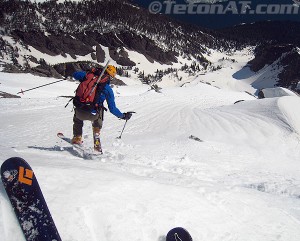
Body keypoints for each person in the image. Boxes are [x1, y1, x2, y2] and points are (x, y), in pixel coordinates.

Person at [71, 65, 132, 153]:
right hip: (94, 115)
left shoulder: (87, 76)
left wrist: (89, 72)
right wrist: (123, 116)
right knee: (99, 108)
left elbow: (75, 74)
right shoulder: (107, 89)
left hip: (80, 113)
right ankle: (96, 134)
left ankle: (77, 137)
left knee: (77, 116)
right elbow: (112, 109)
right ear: (110, 77)